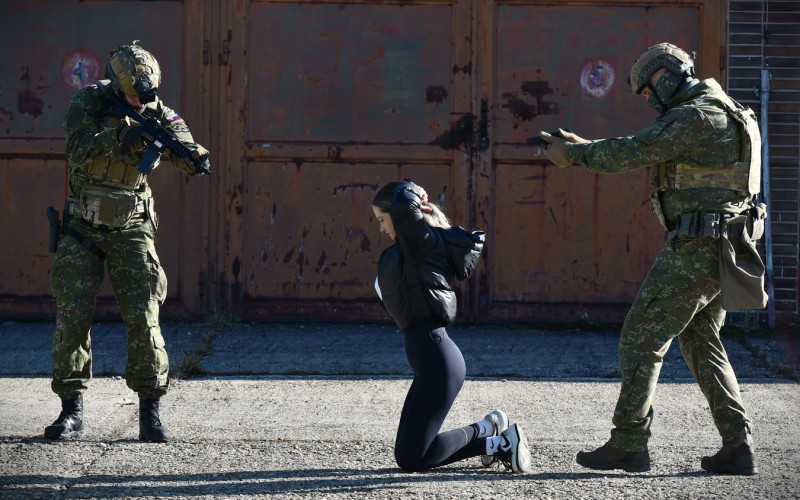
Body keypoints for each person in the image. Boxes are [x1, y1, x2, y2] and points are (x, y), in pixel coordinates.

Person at [540, 42, 764, 475]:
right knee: (702, 343)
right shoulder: (728, 108)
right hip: (725, 245)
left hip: (698, 247)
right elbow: (643, 147)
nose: (648, 100)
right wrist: (582, 145)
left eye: (647, 91)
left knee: (641, 338)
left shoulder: (693, 115)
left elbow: (631, 151)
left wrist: (573, 154)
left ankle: (628, 442)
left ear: (664, 76)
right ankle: (738, 446)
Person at [45, 41, 210, 442]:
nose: (140, 99)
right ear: (119, 85)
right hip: (83, 226)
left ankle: (150, 412)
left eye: (145, 93)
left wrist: (189, 154)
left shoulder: (159, 111)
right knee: (72, 318)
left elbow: (190, 153)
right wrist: (122, 136)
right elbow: (77, 149)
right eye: (133, 93)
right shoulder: (91, 100)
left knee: (144, 318)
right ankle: (71, 411)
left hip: (132, 227)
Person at [371, 180, 532, 473]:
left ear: (399, 216)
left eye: (383, 220)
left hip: (438, 361)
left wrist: (412, 193)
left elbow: (403, 205)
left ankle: (500, 444)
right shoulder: (406, 254)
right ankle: (488, 429)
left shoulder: (421, 248)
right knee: (407, 454)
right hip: (428, 362)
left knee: (414, 459)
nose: (382, 228)